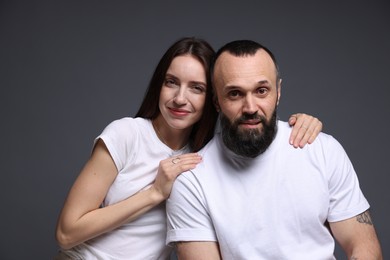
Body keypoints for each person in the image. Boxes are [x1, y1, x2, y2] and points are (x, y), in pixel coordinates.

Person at [55, 37, 323, 259]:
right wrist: (154, 193)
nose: (179, 98)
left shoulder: (205, 157)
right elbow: (67, 233)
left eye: (196, 88)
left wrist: (301, 122)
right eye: (171, 82)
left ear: (214, 99)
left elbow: (254, 124)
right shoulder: (127, 134)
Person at [166, 40, 383, 259]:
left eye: (261, 91)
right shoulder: (191, 181)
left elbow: (363, 247)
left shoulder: (323, 151)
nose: (250, 108)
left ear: (277, 92)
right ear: (216, 100)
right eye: (235, 94)